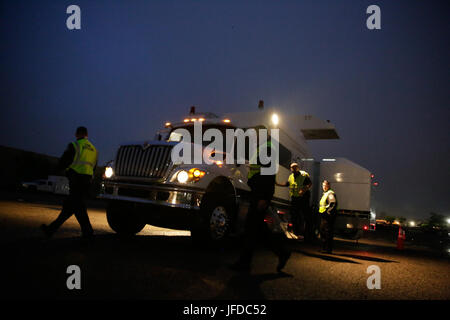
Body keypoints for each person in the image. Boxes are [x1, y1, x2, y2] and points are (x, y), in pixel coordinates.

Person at [231, 130, 291, 274]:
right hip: (257, 191)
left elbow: (269, 174)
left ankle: (244, 263)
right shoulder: (261, 148)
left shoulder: (268, 148)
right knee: (257, 228)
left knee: (251, 227)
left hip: (261, 194)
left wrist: (264, 197)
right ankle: (281, 252)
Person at [41, 126, 98, 239]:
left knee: (76, 206)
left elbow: (64, 161)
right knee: (72, 206)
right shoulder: (94, 149)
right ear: (87, 135)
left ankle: (88, 233)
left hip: (75, 178)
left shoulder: (75, 145)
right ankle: (51, 230)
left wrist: (56, 170)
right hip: (86, 181)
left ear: (77, 134)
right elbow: (94, 167)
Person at [276, 162, 312, 242]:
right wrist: (277, 184)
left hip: (303, 198)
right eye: (292, 168)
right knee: (294, 216)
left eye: (295, 167)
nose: (294, 169)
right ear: (291, 169)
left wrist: (303, 190)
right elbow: (287, 184)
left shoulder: (303, 175)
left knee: (304, 216)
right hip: (295, 199)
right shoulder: (291, 176)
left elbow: (309, 184)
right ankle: (297, 234)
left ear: (298, 168)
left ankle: (306, 235)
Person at [318, 180, 338, 253]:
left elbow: (332, 203)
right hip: (324, 216)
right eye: (323, 185)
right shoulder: (326, 193)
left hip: (328, 217)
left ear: (329, 186)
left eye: (325, 185)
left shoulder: (330, 193)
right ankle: (324, 248)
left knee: (327, 233)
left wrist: (327, 212)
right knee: (323, 232)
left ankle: (328, 249)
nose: (324, 187)